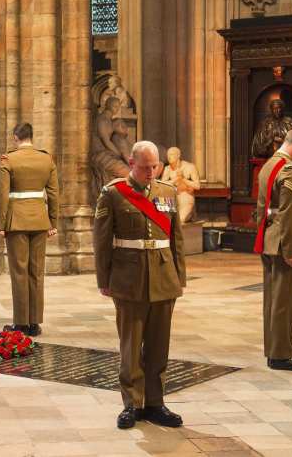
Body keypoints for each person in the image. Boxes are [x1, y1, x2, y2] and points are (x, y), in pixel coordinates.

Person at [93, 141, 186, 430]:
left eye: (154, 166)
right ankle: (131, 404)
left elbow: (176, 240)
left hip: (163, 278)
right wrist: (104, 280)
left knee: (159, 347)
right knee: (131, 346)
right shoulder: (113, 194)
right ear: (132, 164)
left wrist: (179, 277)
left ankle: (155, 403)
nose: (151, 172)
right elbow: (101, 241)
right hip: (128, 279)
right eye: (145, 167)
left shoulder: (168, 193)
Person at [253, 126, 292, 372]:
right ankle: (281, 354)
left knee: (273, 300)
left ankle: (274, 350)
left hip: (270, 239)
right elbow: (289, 214)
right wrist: (290, 249)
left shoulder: (269, 165)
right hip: (283, 244)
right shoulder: (289, 171)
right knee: (284, 302)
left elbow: (263, 210)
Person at [0, 123, 59, 336]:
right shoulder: (46, 158)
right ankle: (34, 323)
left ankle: (21, 322)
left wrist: (1, 224)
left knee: (19, 271)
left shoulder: (9, 159)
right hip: (40, 221)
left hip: (17, 222)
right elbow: (53, 194)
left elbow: (3, 194)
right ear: (32, 137)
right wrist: (53, 222)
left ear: (16, 138)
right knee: (36, 272)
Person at [160, 147, 201, 223]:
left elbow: (197, 186)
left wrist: (183, 179)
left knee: (179, 220)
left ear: (178, 155)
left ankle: (191, 214)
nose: (169, 157)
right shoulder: (167, 169)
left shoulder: (190, 166)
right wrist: (175, 179)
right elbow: (162, 185)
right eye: (168, 154)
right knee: (163, 219)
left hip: (185, 197)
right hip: (172, 197)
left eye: (171, 154)